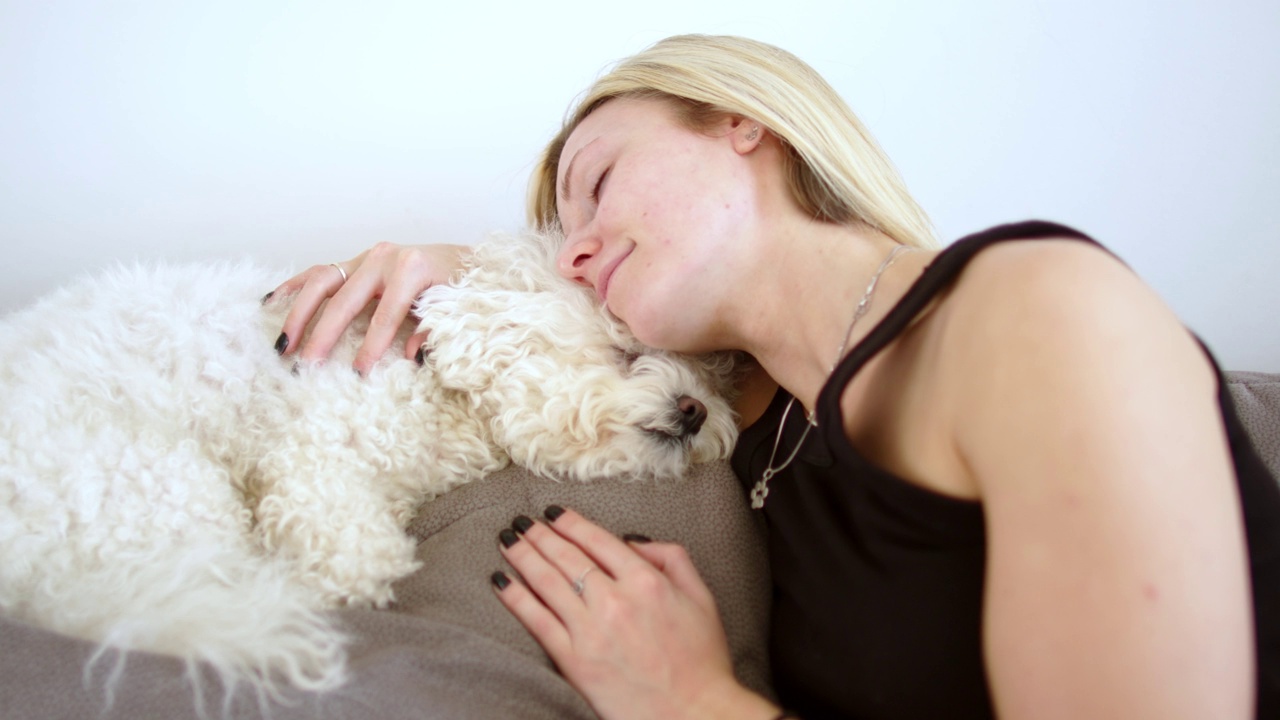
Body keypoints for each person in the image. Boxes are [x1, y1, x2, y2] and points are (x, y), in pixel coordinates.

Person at [267, 34, 1280, 720]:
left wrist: (700, 703)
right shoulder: (752, 426)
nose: (573, 251)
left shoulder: (1031, 309)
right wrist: (459, 277)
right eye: (560, 240)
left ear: (739, 121)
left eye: (597, 184)